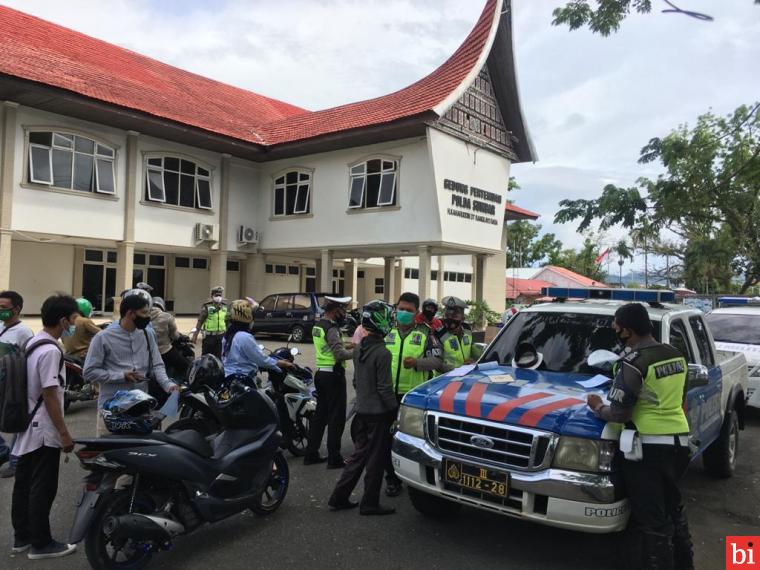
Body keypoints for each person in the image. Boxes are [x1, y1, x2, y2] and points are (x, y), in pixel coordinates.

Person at [587, 303, 693, 570]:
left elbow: (620, 414)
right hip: (679, 444)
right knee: (674, 512)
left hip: (647, 450)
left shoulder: (633, 363)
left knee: (652, 522)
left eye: (616, 326)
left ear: (627, 330)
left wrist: (598, 406)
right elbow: (680, 402)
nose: (614, 330)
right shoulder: (676, 355)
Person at [10, 294, 78, 560]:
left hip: (28, 423)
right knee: (43, 487)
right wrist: (64, 434)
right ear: (62, 320)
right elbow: (50, 394)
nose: (74, 324)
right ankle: (41, 543)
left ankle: (22, 537)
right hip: (43, 428)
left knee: (24, 483)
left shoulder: (34, 341)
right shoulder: (50, 350)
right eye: (73, 319)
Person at [328, 300, 398, 516]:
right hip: (378, 414)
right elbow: (385, 389)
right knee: (375, 462)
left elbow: (358, 382)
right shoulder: (383, 354)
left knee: (358, 456)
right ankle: (369, 503)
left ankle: (339, 496)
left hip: (362, 410)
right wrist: (396, 412)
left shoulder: (359, 349)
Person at [83, 293, 178, 436]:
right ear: (130, 313)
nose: (148, 317)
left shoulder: (148, 334)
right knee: (110, 453)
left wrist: (168, 385)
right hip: (113, 411)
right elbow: (89, 372)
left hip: (141, 407)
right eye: (144, 313)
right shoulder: (103, 338)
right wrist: (121, 376)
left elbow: (157, 365)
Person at [384, 292, 442, 496]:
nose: (404, 313)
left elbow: (437, 361)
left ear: (416, 312)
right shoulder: (386, 331)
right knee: (386, 439)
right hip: (387, 395)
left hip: (413, 399)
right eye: (401, 309)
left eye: (409, 311)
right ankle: (391, 479)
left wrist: (417, 363)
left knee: (413, 441)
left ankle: (416, 480)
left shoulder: (425, 334)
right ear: (395, 308)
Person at [304, 296, 354, 468]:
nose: (344, 313)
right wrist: (360, 351)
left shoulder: (319, 326)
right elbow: (339, 354)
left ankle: (311, 453)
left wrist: (348, 344)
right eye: (343, 310)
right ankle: (335, 458)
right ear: (335, 310)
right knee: (336, 418)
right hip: (334, 376)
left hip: (321, 375)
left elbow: (329, 346)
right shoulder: (332, 328)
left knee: (320, 416)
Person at [0, 290, 35, 479]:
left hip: (13, 386)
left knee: (16, 424)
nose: (0, 311)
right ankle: (3, 452)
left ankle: (14, 461)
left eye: (4, 308)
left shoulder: (24, 332)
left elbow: (29, 359)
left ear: (17, 309)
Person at [221, 299, 292, 380]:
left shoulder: (228, 335)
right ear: (248, 317)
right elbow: (261, 360)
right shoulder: (245, 337)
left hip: (228, 376)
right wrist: (281, 363)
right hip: (243, 378)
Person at [150, 297, 189, 380]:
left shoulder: (144, 315)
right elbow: (174, 336)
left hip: (148, 352)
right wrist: (181, 337)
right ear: (162, 306)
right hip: (164, 350)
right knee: (186, 366)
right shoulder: (167, 316)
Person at [437, 296, 475, 373]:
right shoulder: (438, 333)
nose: (450, 319)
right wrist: (459, 369)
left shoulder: (467, 330)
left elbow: (471, 351)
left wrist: (473, 361)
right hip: (444, 379)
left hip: (466, 376)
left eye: (454, 316)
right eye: (447, 316)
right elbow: (437, 364)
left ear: (463, 319)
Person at [191, 286, 227, 358]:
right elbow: (200, 321)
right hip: (209, 337)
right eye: (216, 295)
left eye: (220, 295)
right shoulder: (207, 306)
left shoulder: (224, 307)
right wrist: (195, 335)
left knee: (219, 357)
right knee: (205, 357)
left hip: (221, 336)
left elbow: (227, 321)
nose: (218, 297)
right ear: (212, 296)